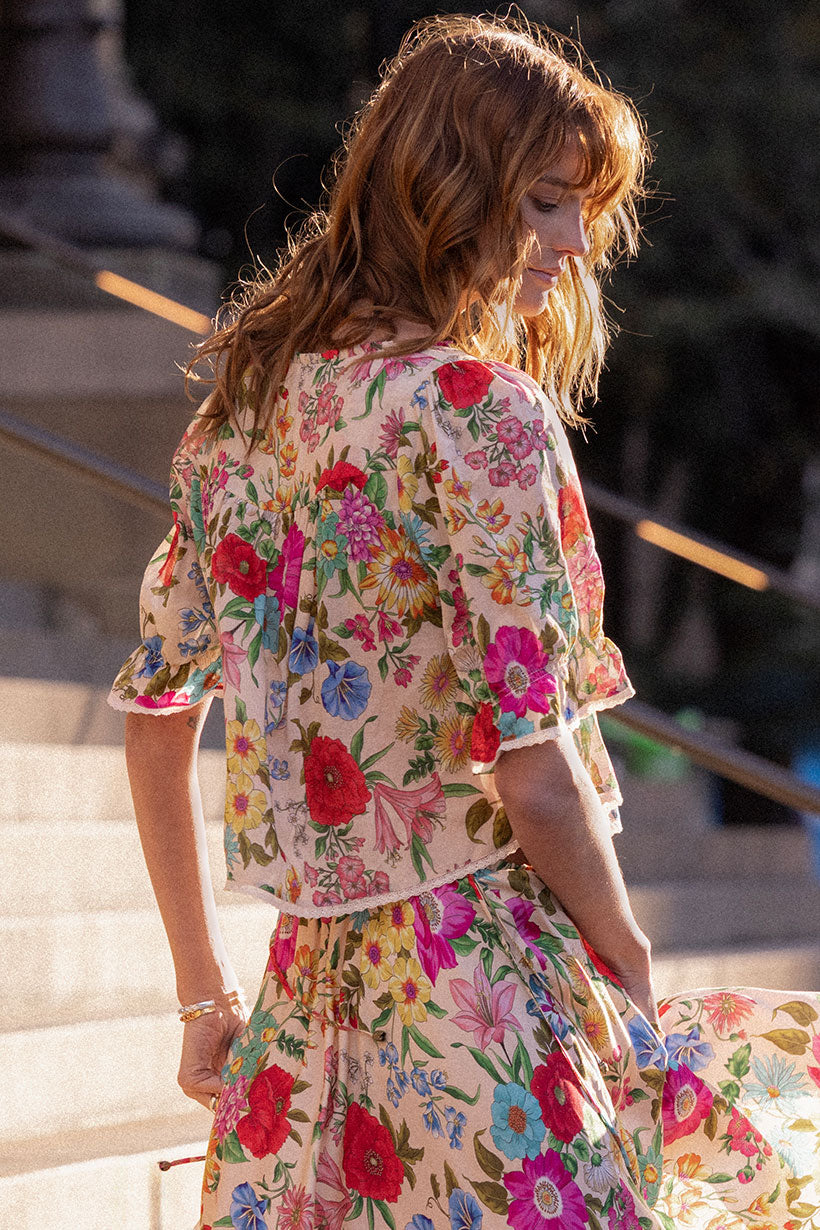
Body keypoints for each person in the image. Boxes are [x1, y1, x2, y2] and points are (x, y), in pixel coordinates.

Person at [110, 13, 820, 1230]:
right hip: (488, 1006)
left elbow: (155, 721)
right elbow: (531, 772)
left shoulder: (239, 421)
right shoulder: (479, 413)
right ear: (445, 189)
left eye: (583, 209)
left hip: (304, 1037)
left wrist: (201, 997)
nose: (574, 244)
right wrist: (626, 953)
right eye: (546, 202)